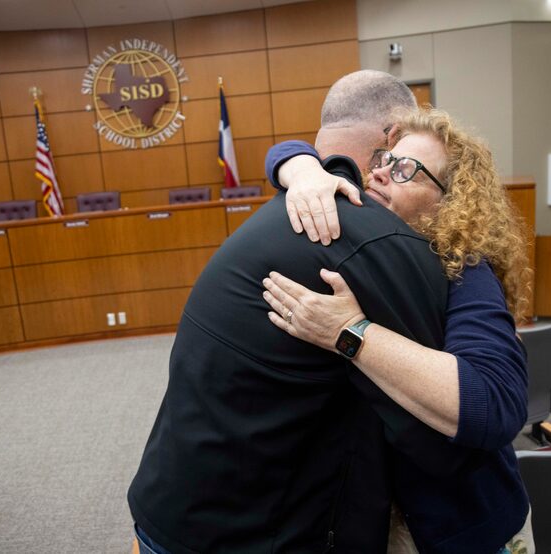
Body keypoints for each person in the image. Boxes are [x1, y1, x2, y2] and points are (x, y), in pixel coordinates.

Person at [126, 72, 476, 553]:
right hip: (237, 534)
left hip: (170, 504)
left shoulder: (283, 207)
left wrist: (294, 162)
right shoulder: (370, 238)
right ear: (393, 136)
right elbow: (447, 421)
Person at [262, 101, 534, 553]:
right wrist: (301, 168)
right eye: (384, 160)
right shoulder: (373, 255)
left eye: (407, 169)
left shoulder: (466, 271)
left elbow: (494, 402)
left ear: (451, 202)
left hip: (464, 531)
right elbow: (286, 150)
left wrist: (350, 333)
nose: (382, 173)